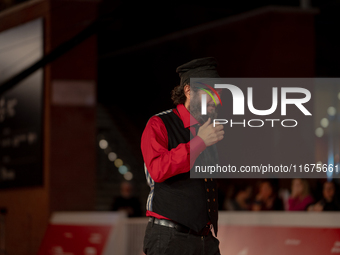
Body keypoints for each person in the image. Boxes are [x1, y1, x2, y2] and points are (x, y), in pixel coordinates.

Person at [141, 57, 224, 255]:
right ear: (188, 90)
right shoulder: (158, 124)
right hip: (169, 238)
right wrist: (199, 143)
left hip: (205, 238)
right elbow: (158, 170)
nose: (216, 99)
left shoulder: (206, 129)